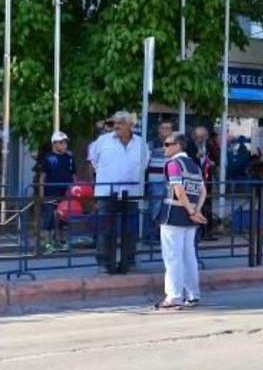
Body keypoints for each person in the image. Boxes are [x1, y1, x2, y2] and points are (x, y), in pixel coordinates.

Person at [88, 111, 149, 273]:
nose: (116, 125)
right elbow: (92, 161)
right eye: (115, 122)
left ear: (131, 125)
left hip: (131, 192)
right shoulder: (102, 141)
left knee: (130, 230)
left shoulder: (141, 144)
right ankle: (103, 262)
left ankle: (129, 261)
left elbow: (144, 164)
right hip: (106, 192)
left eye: (121, 122)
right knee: (104, 229)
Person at [155, 133, 208, 311]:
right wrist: (195, 211)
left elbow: (178, 190)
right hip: (190, 217)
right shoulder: (194, 165)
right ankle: (193, 295)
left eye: (167, 144)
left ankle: (174, 297)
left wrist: (192, 211)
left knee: (172, 257)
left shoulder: (173, 164)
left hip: (173, 214)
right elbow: (203, 192)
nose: (165, 147)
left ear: (178, 145)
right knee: (189, 256)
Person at [39, 131, 78, 253]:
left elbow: (73, 175)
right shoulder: (48, 158)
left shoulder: (69, 158)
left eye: (65, 142)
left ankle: (62, 241)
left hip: (65, 193)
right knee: (49, 218)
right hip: (50, 192)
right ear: (54, 144)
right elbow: (43, 176)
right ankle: (47, 243)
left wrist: (75, 189)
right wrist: (41, 193)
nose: (64, 145)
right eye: (61, 142)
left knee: (64, 218)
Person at [145, 121, 174, 242]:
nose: (166, 130)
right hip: (156, 180)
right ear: (158, 129)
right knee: (154, 207)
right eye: (163, 128)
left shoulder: (174, 143)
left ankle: (161, 235)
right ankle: (149, 234)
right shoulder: (151, 143)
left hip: (169, 180)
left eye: (168, 128)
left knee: (166, 208)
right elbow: (146, 161)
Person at [188, 127, 218, 241]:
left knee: (207, 203)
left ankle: (207, 231)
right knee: (195, 204)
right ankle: (195, 231)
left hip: (206, 179)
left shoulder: (209, 145)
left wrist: (211, 161)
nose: (200, 139)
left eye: (203, 136)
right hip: (194, 179)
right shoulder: (190, 145)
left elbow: (216, 158)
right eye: (198, 137)